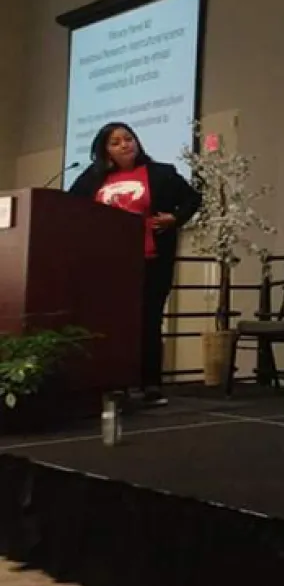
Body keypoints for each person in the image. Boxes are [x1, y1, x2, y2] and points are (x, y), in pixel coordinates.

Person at [69, 122, 201, 406]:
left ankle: (150, 384)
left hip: (150, 259)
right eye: (115, 142)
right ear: (105, 150)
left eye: (128, 139)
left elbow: (193, 199)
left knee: (148, 320)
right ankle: (112, 382)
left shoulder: (160, 173)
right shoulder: (92, 179)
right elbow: (69, 206)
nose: (125, 144)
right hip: (107, 264)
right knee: (111, 322)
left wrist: (175, 219)